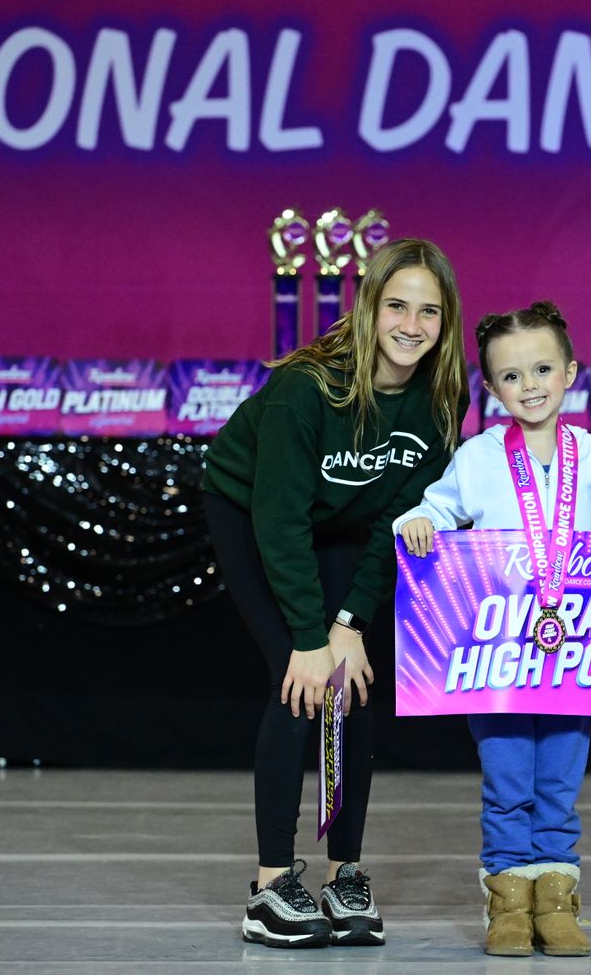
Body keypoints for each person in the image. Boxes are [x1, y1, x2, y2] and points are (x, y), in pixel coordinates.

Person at [202, 238, 468, 948]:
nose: (412, 325)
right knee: (300, 682)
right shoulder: (307, 390)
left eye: (429, 312)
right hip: (252, 511)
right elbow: (280, 520)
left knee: (352, 685)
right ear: (369, 307)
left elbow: (402, 517)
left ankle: (345, 873)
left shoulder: (443, 396)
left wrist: (350, 621)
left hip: (349, 525)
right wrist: (311, 639)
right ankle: (267, 888)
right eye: (397, 306)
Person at [395, 301, 591, 957]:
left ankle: (557, 900)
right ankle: (508, 900)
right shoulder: (478, 458)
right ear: (491, 388)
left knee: (559, 784)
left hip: (574, 655)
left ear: (571, 373)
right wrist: (420, 523)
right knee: (508, 778)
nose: (530, 385)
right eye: (512, 376)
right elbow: (435, 508)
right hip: (498, 657)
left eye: (543, 369)